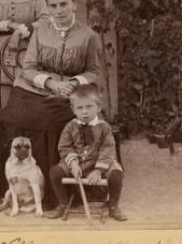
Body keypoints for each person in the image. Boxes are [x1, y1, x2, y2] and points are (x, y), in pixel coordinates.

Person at [0, 0, 101, 208]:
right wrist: (51, 83)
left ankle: (57, 192)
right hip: (37, 86)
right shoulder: (40, 31)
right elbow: (29, 67)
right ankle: (17, 187)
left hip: (71, 91)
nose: (58, 11)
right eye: (53, 6)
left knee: (59, 118)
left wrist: (72, 83)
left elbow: (93, 71)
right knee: (17, 115)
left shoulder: (87, 35)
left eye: (63, 4)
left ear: (74, 5)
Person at [46, 84, 126, 221]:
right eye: (80, 108)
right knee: (55, 172)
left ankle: (113, 206)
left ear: (98, 107)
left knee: (117, 174)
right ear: (73, 109)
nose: (85, 112)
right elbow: (64, 147)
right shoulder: (70, 126)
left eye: (89, 107)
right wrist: (73, 164)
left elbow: (108, 148)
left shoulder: (104, 127)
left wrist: (98, 170)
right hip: (77, 163)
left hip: (99, 162)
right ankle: (62, 204)